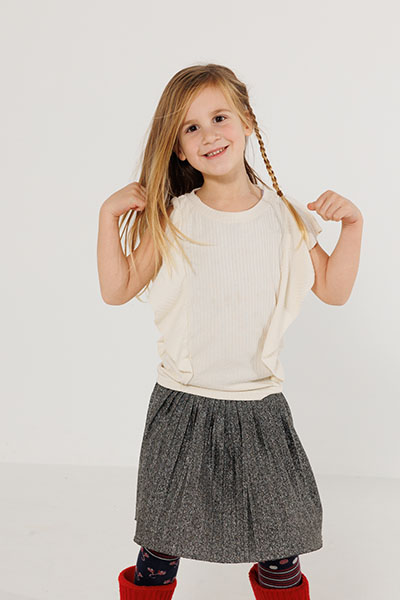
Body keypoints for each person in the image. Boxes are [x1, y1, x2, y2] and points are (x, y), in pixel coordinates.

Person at [97, 63, 363, 600]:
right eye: (190, 127)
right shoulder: (173, 218)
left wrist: (353, 226)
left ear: (246, 121)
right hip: (182, 407)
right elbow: (117, 288)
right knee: (158, 552)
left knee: (281, 551)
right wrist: (108, 216)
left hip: (259, 409)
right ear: (178, 149)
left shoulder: (287, 218)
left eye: (219, 117)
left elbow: (334, 290)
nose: (209, 135)